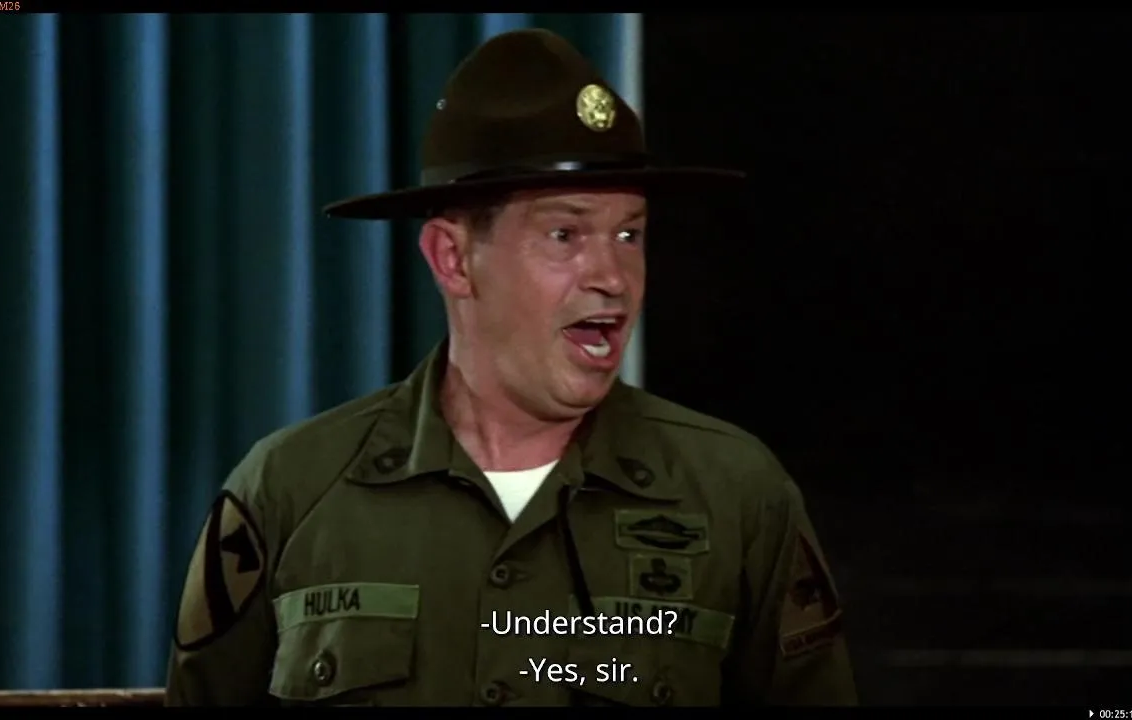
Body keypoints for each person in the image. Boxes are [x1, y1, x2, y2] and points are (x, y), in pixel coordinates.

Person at [164, 28, 858, 707]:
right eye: (565, 234)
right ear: (453, 259)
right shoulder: (290, 491)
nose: (613, 276)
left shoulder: (736, 496)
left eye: (629, 234)